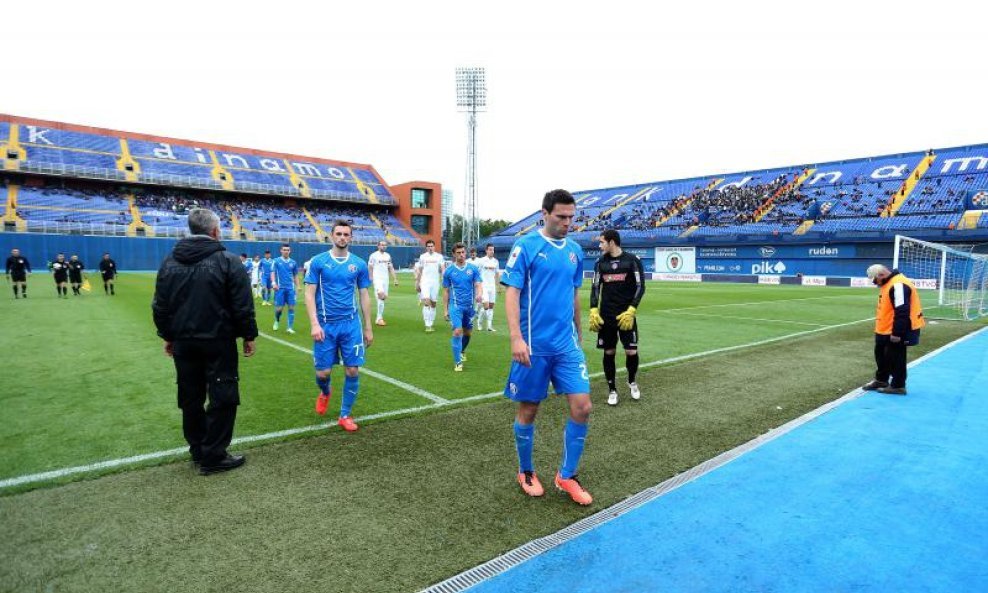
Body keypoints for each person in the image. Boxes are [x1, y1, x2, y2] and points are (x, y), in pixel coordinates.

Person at [502, 189, 593, 506]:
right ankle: (526, 471)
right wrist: (516, 337)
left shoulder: (575, 251)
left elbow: (574, 294)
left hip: (566, 346)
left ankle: (566, 476)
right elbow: (511, 293)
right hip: (534, 347)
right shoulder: (525, 245)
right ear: (544, 213)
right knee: (529, 409)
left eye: (572, 217)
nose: (568, 223)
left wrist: (579, 336)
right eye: (561, 217)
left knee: (582, 407)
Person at [151, 208, 257, 475]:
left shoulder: (169, 262)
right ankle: (213, 455)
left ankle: (198, 450)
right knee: (223, 394)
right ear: (215, 231)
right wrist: (248, 335)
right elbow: (242, 305)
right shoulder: (228, 261)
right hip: (217, 340)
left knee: (190, 396)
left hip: (184, 342)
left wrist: (168, 335)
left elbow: (160, 306)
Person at [304, 220, 373, 432]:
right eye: (339, 234)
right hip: (325, 325)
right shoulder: (318, 262)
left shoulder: (359, 264)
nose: (342, 237)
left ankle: (345, 415)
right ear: (331, 236)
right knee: (323, 374)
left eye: (346, 234)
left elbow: (363, 295)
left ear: (351, 237)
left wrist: (368, 327)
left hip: (351, 325)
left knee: (352, 370)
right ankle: (325, 392)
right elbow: (309, 293)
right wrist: (315, 324)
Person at [589, 229, 646, 406]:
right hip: (606, 316)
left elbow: (640, 286)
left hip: (626, 315)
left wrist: (632, 310)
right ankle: (612, 390)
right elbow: (596, 287)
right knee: (609, 352)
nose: (600, 246)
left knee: (631, 351)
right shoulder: (600, 263)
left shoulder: (632, 261)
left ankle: (632, 381)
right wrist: (593, 310)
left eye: (602, 242)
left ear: (611, 242)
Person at [862, 264, 926, 395]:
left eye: (875, 280)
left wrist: (897, 333)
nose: (875, 283)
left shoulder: (898, 284)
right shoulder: (890, 283)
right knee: (881, 355)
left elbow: (902, 310)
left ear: (881, 275)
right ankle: (881, 380)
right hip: (884, 328)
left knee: (896, 357)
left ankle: (898, 385)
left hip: (896, 330)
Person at [442, 243, 483, 371]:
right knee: (457, 331)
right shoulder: (449, 271)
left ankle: (462, 350)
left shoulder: (473, 269)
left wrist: (479, 294)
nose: (461, 255)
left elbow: (478, 285)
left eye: (463, 252)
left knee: (468, 332)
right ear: (454, 254)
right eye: (458, 253)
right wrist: (445, 310)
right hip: (455, 306)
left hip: (470, 306)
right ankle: (458, 362)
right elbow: (446, 291)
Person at [414, 239, 445, 332]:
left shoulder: (439, 257)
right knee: (426, 302)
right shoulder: (423, 257)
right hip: (425, 282)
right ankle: (427, 324)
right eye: (428, 246)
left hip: (435, 282)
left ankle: (431, 322)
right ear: (426, 247)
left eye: (432, 246)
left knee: (433, 304)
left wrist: (444, 277)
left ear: (434, 247)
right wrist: (418, 282)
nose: (430, 248)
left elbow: (443, 268)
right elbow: (419, 270)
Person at [368, 240, 399, 326]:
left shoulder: (388, 256)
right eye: (381, 245)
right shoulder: (373, 255)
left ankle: (379, 318)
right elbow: (370, 267)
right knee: (381, 295)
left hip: (386, 279)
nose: (383, 246)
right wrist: (370, 277)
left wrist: (395, 279)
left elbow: (391, 267)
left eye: (385, 245)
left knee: (381, 300)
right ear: (378, 246)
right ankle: (379, 318)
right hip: (377, 278)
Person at [271, 244, 300, 334]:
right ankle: (277, 320)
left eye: (287, 250)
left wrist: (298, 286)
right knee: (279, 309)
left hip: (290, 289)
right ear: (281, 250)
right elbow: (272, 272)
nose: (286, 251)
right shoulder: (276, 261)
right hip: (280, 289)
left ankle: (289, 327)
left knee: (291, 307)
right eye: (284, 250)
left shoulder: (293, 262)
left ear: (290, 251)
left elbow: (295, 275)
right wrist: (274, 283)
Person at [476, 243, 502, 331]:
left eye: (493, 250)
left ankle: (489, 326)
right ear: (486, 250)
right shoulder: (481, 261)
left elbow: (497, 274)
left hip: (492, 286)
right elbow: (476, 273)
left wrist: (498, 286)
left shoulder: (496, 261)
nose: (492, 251)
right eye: (490, 249)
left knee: (491, 307)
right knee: (486, 306)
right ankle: (480, 322)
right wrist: (477, 285)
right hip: (484, 286)